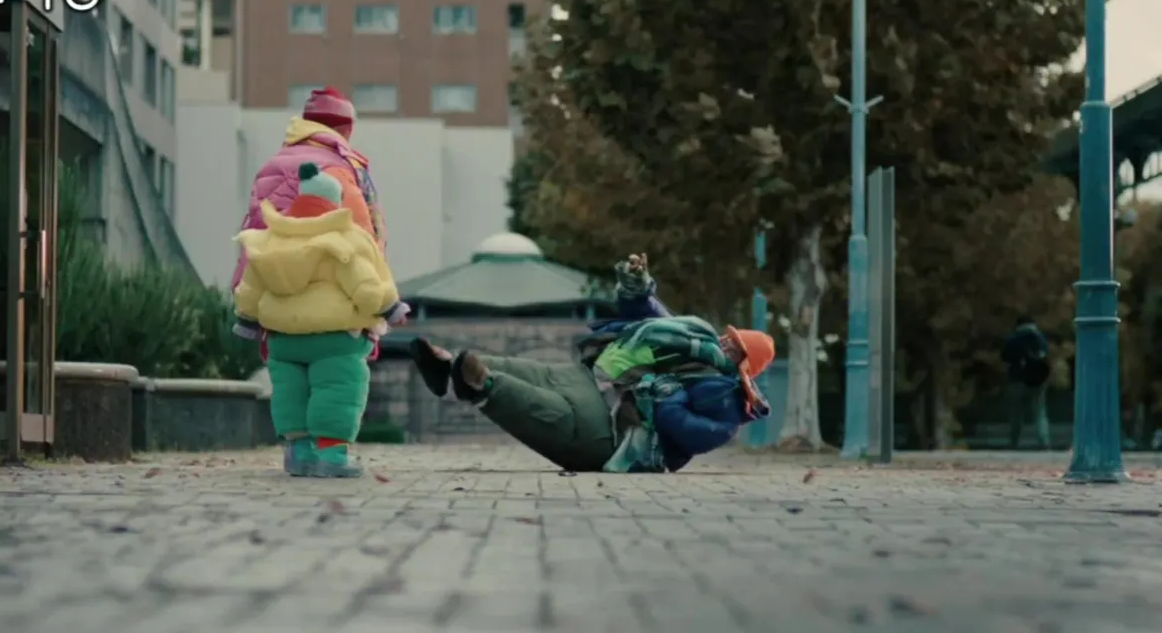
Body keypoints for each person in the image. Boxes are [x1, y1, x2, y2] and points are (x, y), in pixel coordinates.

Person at [408, 254, 773, 472]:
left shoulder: (724, 400)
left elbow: (693, 434)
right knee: (529, 371)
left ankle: (483, 384)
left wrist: (667, 397)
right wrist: (637, 286)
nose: (725, 342)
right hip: (593, 379)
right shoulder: (693, 341)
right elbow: (654, 318)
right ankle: (447, 366)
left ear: (743, 367)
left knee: (543, 408)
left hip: (612, 433)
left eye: (735, 348)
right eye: (730, 336)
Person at [233, 163, 408, 478]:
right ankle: (332, 455)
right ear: (335, 201)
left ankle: (299, 454)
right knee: (337, 388)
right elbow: (366, 286)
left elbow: (251, 287)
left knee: (290, 393)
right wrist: (389, 307)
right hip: (334, 338)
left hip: (283, 338)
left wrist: (246, 318)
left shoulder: (272, 238)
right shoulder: (346, 238)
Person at [231, 87, 389, 358]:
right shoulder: (341, 168)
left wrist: (248, 304)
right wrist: (377, 307)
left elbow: (256, 236)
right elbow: (362, 239)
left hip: (278, 310)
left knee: (286, 382)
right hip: (332, 318)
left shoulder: (272, 166)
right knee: (337, 384)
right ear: (346, 128)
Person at [1001, 316, 1051, 449]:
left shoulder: (1012, 339)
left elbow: (1004, 357)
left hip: (1016, 380)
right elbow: (1045, 355)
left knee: (1016, 414)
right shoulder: (1039, 338)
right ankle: (1044, 442)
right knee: (1039, 413)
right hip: (1038, 381)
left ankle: (1014, 442)